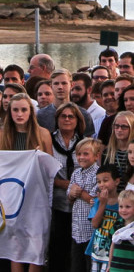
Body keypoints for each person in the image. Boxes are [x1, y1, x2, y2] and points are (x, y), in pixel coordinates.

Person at [0, 93, 52, 272]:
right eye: (15, 110)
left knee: (36, 246)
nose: (19, 114)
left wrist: (39, 157)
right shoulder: (3, 134)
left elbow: (50, 168)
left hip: (36, 198)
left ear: (30, 112)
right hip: (12, 198)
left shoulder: (42, 134)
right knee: (16, 248)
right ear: (9, 112)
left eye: (23, 110)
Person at [48, 102, 86, 272]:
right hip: (55, 203)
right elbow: (45, 173)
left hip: (79, 204)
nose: (67, 119)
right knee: (57, 247)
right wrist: (66, 184)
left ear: (78, 120)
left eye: (71, 116)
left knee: (76, 251)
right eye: (63, 116)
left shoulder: (85, 144)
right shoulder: (47, 140)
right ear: (57, 119)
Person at [67, 138, 102, 272]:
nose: (81, 157)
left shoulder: (98, 174)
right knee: (76, 265)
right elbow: (69, 197)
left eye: (86, 154)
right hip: (76, 230)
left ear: (96, 156)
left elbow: (94, 199)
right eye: (79, 154)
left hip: (91, 231)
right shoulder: (76, 173)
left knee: (90, 266)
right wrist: (72, 193)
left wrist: (79, 192)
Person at [87, 164, 124, 272]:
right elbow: (94, 224)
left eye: (105, 180)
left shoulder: (122, 204)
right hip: (97, 251)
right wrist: (102, 204)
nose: (102, 184)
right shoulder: (98, 202)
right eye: (99, 182)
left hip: (115, 252)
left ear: (116, 181)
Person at [102, 111, 134, 191]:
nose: (119, 130)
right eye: (116, 126)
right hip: (113, 197)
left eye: (124, 127)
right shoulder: (108, 152)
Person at [107, 189, 134, 271]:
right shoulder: (117, 225)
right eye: (121, 206)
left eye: (128, 207)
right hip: (116, 267)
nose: (123, 210)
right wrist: (109, 264)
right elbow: (113, 244)